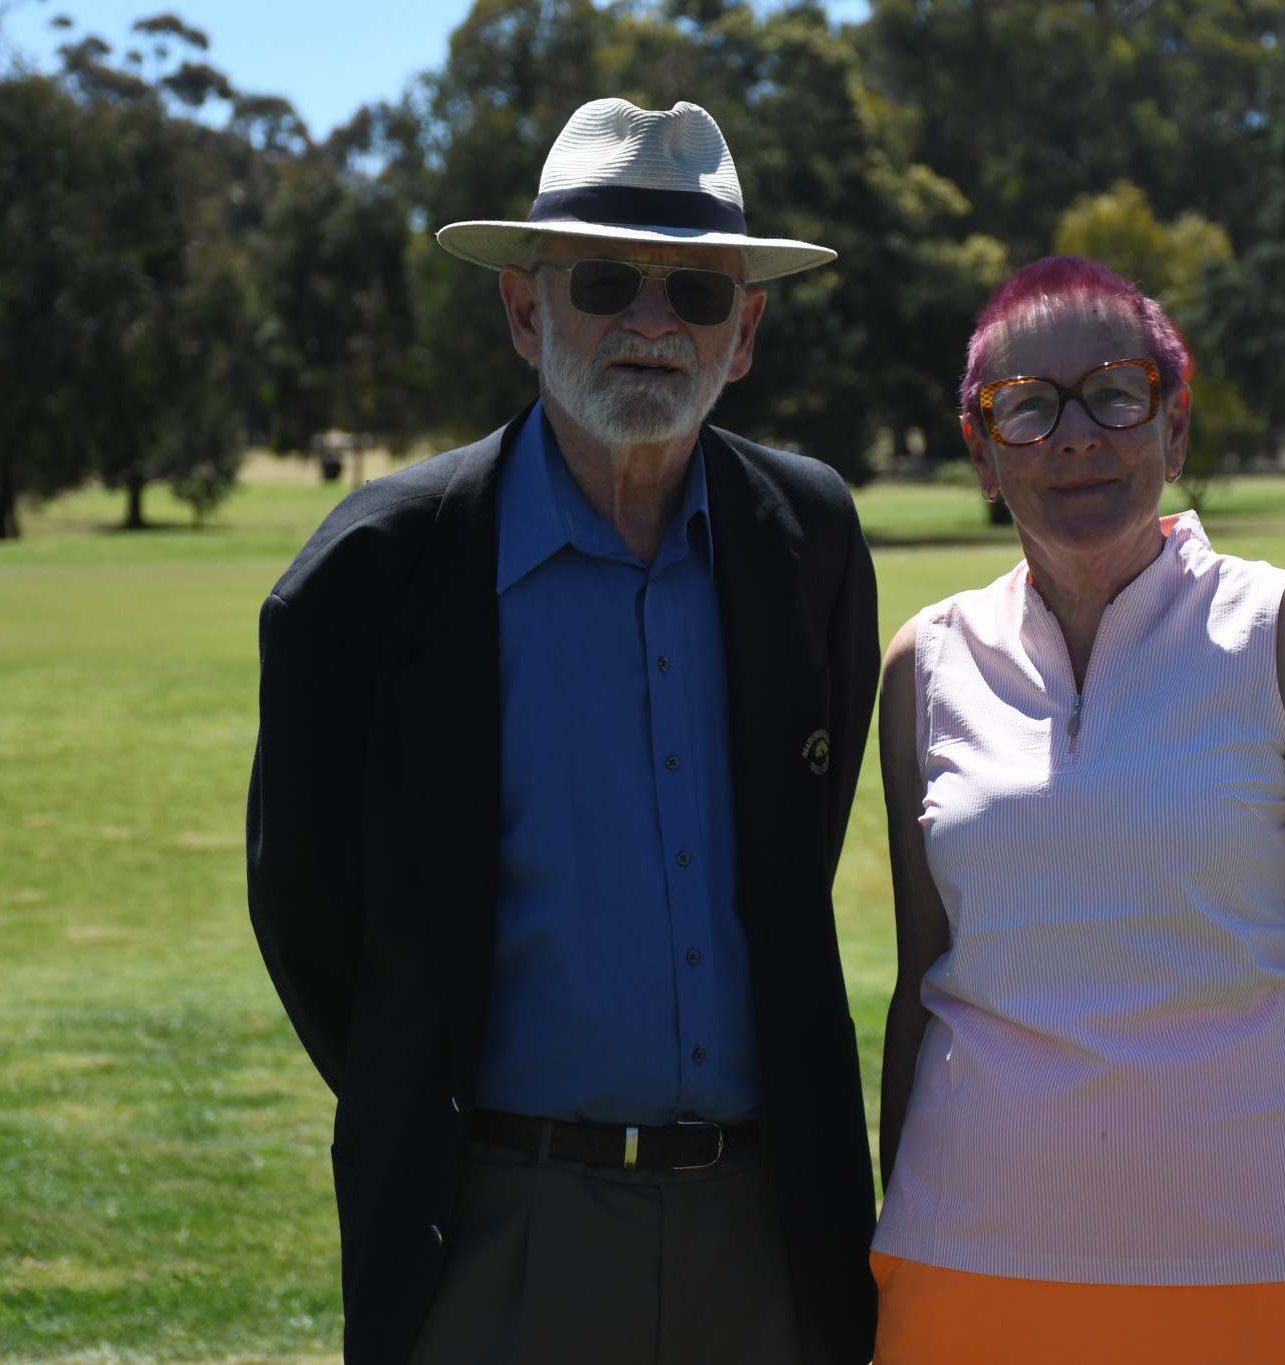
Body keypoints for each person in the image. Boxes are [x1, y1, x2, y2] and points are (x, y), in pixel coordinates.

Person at [246, 98, 879, 1365]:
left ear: (743, 334)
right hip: (493, 1236)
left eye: (697, 297)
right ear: (528, 312)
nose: (653, 325)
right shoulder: (378, 568)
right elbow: (310, 920)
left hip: (765, 1230)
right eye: (605, 281)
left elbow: (796, 855)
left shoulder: (805, 542)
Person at [871, 257, 1285, 1365]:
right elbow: (923, 987)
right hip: (967, 1267)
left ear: (1174, 427)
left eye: (1114, 393)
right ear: (981, 454)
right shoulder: (923, 663)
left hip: (1267, 1267)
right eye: (1026, 407)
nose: (1074, 435)